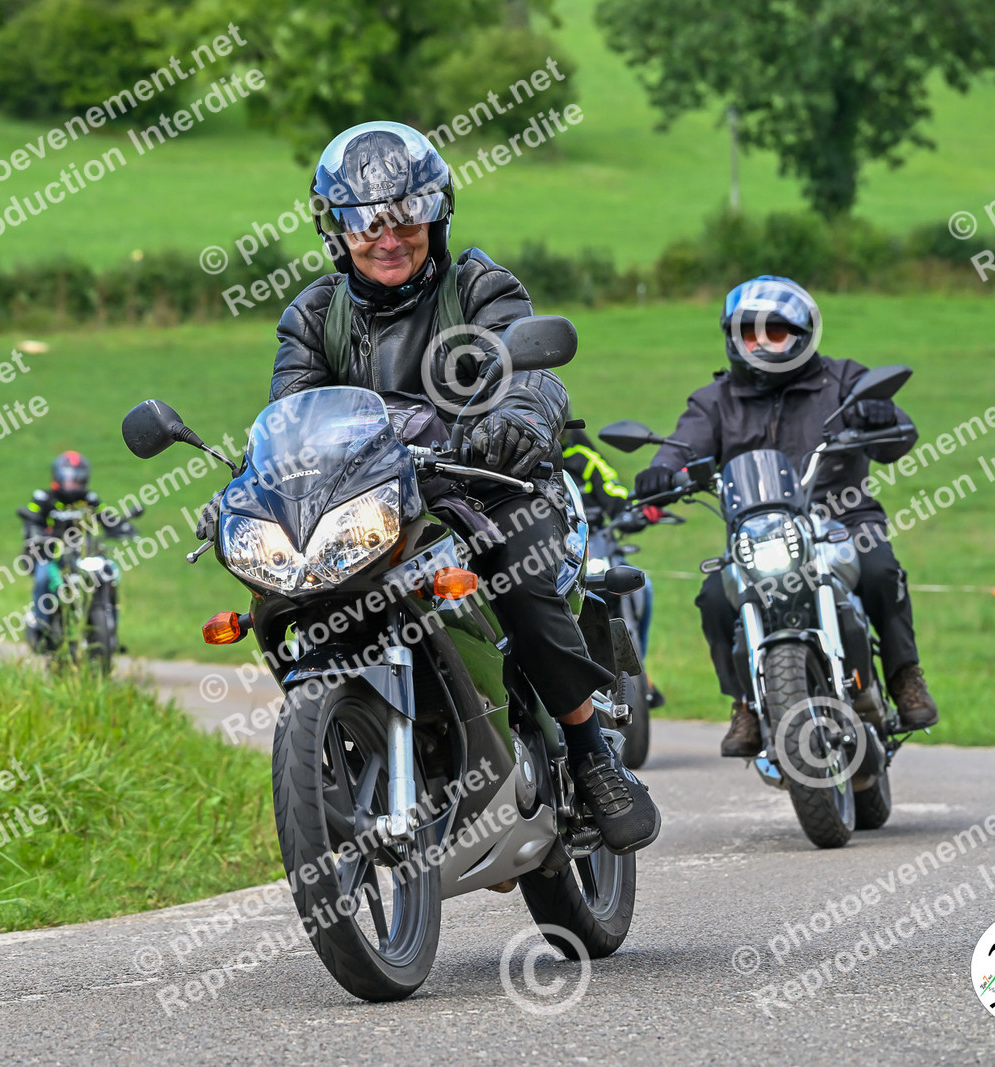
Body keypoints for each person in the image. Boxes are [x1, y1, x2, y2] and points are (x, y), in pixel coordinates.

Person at [265, 120, 658, 853]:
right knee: (292, 589)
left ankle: (589, 754)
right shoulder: (314, 316)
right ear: (336, 229)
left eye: (406, 216)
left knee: (520, 575)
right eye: (365, 222)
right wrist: (254, 485)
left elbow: (531, 371)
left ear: (437, 214)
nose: (388, 238)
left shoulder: (477, 285)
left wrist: (516, 422)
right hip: (374, 508)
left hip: (487, 484)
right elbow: (290, 418)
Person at [634, 276, 939, 758]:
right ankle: (745, 704)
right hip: (759, 534)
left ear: (801, 336)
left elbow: (898, 438)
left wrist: (881, 416)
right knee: (714, 597)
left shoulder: (842, 381)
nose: (758, 344)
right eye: (748, 333)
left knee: (880, 568)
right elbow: (684, 446)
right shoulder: (715, 401)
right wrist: (662, 472)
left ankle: (905, 676)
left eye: (773, 333)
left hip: (844, 521)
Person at [561, 426, 664, 708]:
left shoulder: (583, 457)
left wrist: (633, 511)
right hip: (551, 550)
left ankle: (641, 666)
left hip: (595, 543)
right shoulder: (522, 463)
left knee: (644, 588)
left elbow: (613, 490)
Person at [20, 450, 95, 648]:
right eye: (69, 477)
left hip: (79, 555)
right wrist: (36, 533)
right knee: (43, 578)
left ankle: (100, 628)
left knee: (103, 576)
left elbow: (107, 516)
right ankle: (41, 624)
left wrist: (121, 527)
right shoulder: (43, 497)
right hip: (49, 555)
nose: (73, 482)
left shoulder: (88, 499)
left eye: (77, 477)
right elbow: (31, 517)